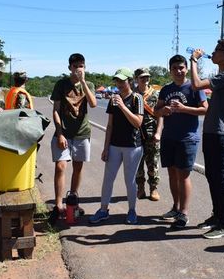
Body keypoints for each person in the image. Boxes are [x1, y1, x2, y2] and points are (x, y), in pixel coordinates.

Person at [190, 39, 224, 239]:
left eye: (216, 50)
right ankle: (217, 216)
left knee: (220, 178)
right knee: (212, 177)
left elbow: (195, 85)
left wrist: (193, 61)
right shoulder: (223, 76)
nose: (213, 53)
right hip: (213, 131)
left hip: (218, 134)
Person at [154, 55, 207, 229]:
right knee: (171, 174)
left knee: (183, 176)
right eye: (175, 68)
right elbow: (156, 111)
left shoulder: (194, 87)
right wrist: (165, 110)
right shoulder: (166, 89)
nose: (178, 71)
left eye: (181, 67)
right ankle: (175, 208)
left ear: (186, 69)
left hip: (187, 138)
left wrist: (184, 109)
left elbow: (204, 109)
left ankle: (183, 213)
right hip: (169, 137)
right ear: (170, 70)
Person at [89, 68, 144, 225]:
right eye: (117, 81)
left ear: (130, 81)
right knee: (108, 178)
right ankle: (103, 210)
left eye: (122, 80)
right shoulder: (114, 99)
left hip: (133, 146)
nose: (119, 84)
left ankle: (132, 210)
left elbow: (138, 122)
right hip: (114, 145)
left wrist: (122, 106)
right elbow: (110, 125)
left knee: (129, 180)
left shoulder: (136, 98)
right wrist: (106, 148)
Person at [50, 53, 97, 222]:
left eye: (82, 66)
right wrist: (60, 133)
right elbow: (55, 110)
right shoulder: (61, 84)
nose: (79, 69)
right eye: (76, 66)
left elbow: (93, 104)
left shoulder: (89, 84)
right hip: (64, 133)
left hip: (82, 133)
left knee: (78, 167)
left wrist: (83, 82)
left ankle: (73, 200)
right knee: (61, 166)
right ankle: (58, 204)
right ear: (69, 67)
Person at [133, 67, 163, 201]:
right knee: (137, 164)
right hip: (136, 135)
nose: (145, 79)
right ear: (136, 79)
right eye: (142, 77)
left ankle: (153, 188)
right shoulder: (132, 95)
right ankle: (140, 188)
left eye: (147, 77)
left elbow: (160, 116)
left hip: (151, 134)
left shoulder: (155, 94)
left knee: (153, 163)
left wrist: (158, 132)